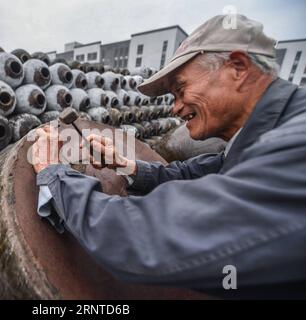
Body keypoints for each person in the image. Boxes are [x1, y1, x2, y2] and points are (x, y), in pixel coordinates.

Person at [31, 14, 306, 298]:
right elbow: (197, 172)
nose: (174, 108)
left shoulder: (296, 148)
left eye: (180, 89)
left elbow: (150, 238)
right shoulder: (255, 140)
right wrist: (130, 168)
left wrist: (55, 174)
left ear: (237, 68)